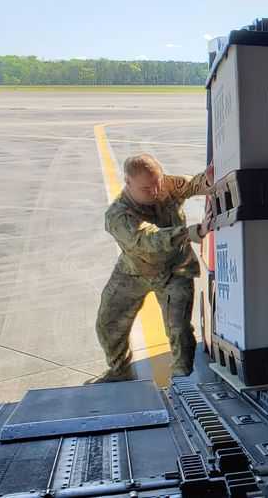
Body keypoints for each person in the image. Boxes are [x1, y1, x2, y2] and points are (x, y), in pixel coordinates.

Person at [90, 154, 214, 383]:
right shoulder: (117, 216)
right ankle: (119, 371)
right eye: (147, 188)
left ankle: (182, 380)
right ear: (127, 183)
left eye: (157, 183)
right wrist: (193, 231)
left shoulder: (164, 184)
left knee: (179, 330)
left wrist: (208, 180)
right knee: (108, 322)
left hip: (175, 270)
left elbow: (192, 184)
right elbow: (148, 241)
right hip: (134, 271)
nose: (156, 191)